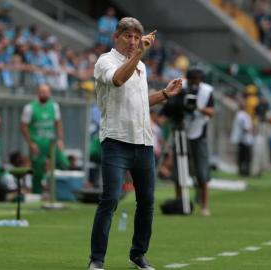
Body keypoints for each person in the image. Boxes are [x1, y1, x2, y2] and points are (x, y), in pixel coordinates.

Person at [88, 17, 182, 270]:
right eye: (127, 36)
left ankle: (138, 254)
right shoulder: (105, 61)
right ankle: (97, 259)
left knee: (147, 202)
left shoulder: (140, 66)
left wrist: (163, 94)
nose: (132, 41)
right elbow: (118, 80)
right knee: (110, 199)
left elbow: (140, 101)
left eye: (135, 37)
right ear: (115, 37)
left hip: (143, 142)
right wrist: (138, 54)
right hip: (116, 141)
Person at [20, 84, 68, 194]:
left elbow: (58, 123)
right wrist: (30, 143)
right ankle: (37, 192)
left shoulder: (54, 106)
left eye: (46, 92)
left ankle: (58, 190)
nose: (44, 94)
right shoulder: (30, 108)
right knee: (37, 170)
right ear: (37, 93)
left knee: (63, 162)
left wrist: (60, 139)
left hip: (51, 142)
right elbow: (23, 126)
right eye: (42, 92)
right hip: (37, 142)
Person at [181, 67, 215, 216]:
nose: (194, 84)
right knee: (180, 171)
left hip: (199, 133)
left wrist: (197, 108)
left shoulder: (207, 91)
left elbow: (211, 111)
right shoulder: (181, 88)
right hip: (181, 131)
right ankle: (180, 203)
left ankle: (204, 205)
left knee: (202, 170)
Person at [230, 101, 254, 176]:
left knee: (242, 156)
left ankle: (242, 171)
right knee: (246, 157)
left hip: (242, 139)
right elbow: (245, 127)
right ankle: (245, 171)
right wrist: (251, 130)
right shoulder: (242, 116)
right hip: (244, 139)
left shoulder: (239, 115)